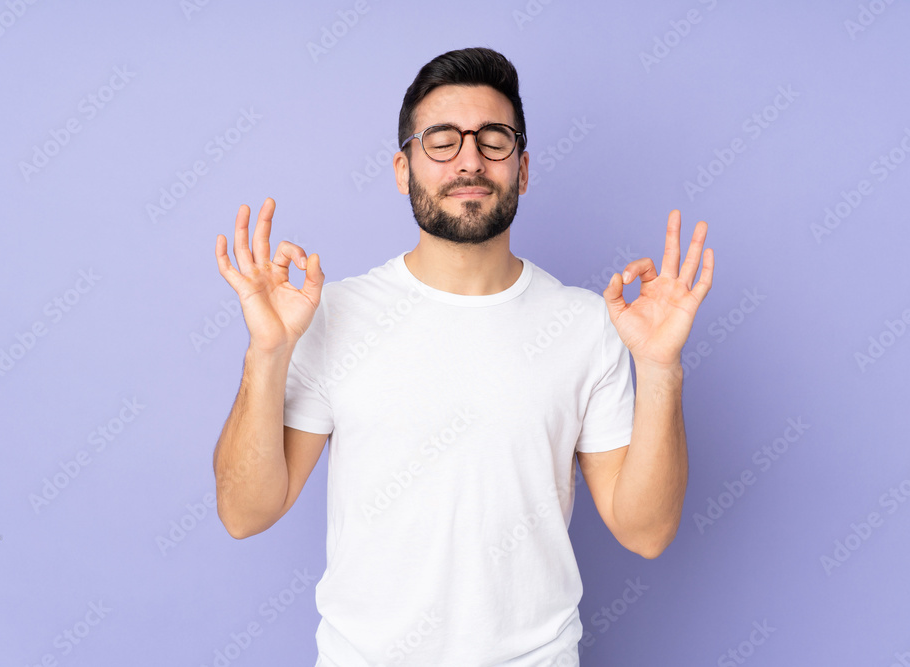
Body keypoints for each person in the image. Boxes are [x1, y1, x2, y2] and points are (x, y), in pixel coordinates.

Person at [212, 47, 713, 666]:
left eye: (493, 139)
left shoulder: (589, 325)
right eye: (442, 140)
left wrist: (661, 368)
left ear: (522, 169)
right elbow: (243, 512)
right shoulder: (330, 316)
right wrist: (267, 354)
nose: (470, 160)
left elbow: (647, 532)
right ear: (403, 169)